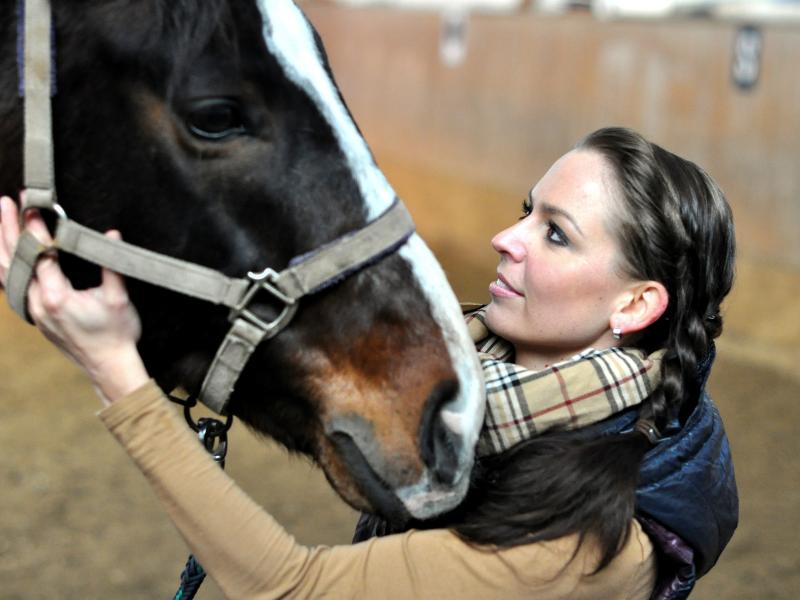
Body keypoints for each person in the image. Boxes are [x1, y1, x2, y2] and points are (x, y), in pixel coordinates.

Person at [0, 127, 737, 599]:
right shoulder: (493, 397)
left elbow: (289, 588)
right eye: (525, 211)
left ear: (636, 306)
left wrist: (112, 365)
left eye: (556, 235)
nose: (505, 239)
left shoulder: (582, 551)